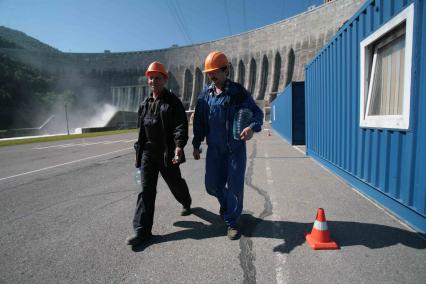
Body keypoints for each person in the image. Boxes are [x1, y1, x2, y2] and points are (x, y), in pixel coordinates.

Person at [192, 51, 263, 240]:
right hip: (214, 150)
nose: (212, 76)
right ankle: (228, 204)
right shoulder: (205, 95)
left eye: (215, 72)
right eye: (209, 73)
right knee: (211, 185)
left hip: (235, 150)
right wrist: (196, 143)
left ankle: (232, 222)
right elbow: (199, 121)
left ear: (226, 70)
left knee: (235, 187)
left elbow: (257, 113)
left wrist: (251, 127)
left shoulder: (238, 92)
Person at [126, 61, 192, 246]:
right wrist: (138, 153)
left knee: (175, 183)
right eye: (151, 78)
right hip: (147, 153)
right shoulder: (145, 104)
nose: (153, 81)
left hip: (166, 153)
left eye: (158, 78)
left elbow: (180, 125)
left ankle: (186, 202)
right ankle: (142, 231)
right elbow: (141, 131)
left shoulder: (173, 101)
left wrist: (179, 145)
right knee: (144, 190)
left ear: (165, 79)